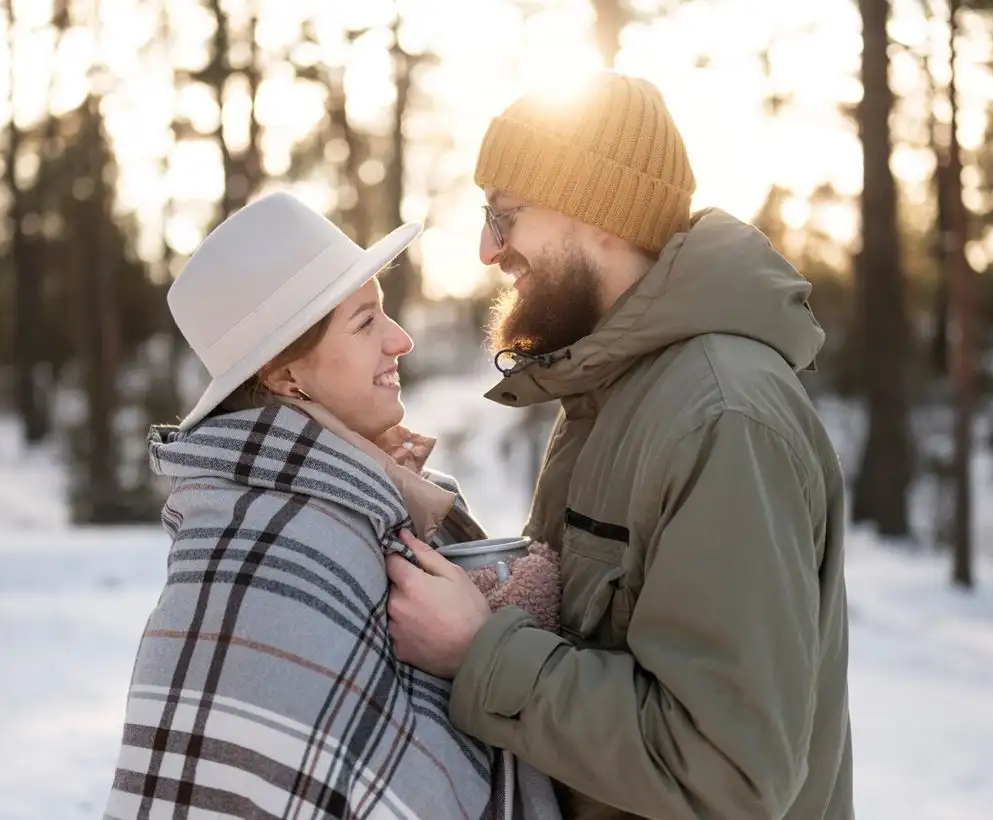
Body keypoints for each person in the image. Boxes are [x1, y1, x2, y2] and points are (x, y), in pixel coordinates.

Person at [385, 71, 854, 820]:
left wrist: (483, 654)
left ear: (596, 211)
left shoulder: (720, 417)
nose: (486, 249)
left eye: (505, 214)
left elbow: (724, 772)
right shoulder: (612, 394)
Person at [102, 191, 562, 820]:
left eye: (385, 313)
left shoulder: (348, 502)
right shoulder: (277, 542)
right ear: (286, 377)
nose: (400, 340)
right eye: (365, 321)